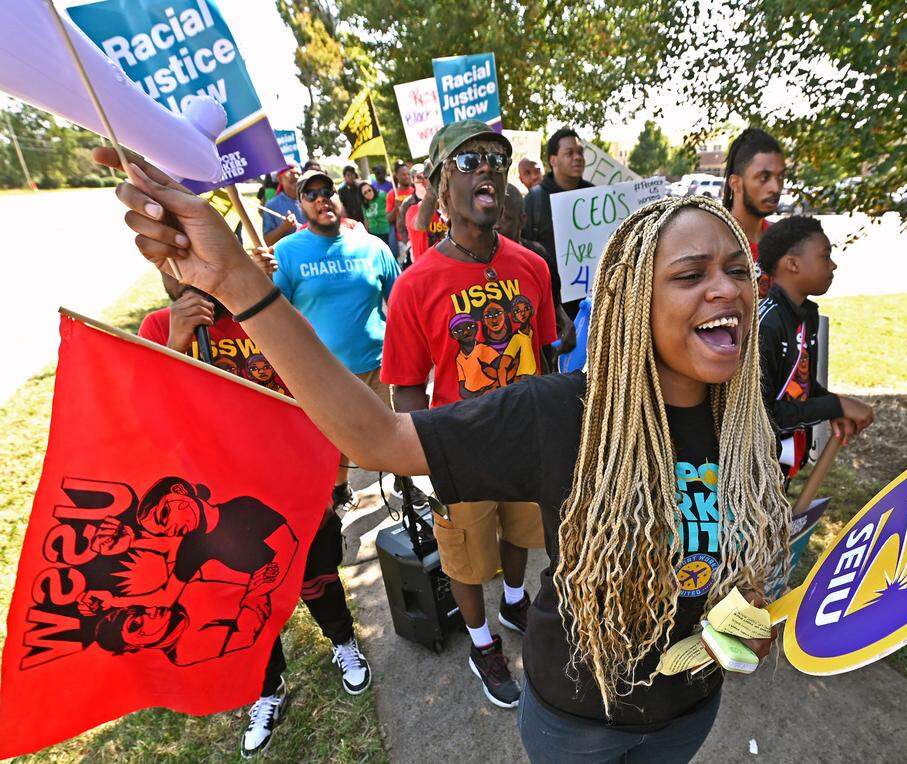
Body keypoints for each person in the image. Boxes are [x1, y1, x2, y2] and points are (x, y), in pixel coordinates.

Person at [102, 140, 786, 761]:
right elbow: (378, 437)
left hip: (688, 712)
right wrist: (237, 284)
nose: (725, 288)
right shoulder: (561, 411)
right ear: (636, 298)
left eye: (735, 270)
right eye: (691, 274)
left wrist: (741, 612)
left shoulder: (745, 421)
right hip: (582, 723)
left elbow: (726, 544)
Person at [136, 278, 372, 758]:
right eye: (170, 266)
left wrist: (332, 476)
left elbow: (319, 392)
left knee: (317, 578)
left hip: (295, 488)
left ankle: (343, 642)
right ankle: (267, 688)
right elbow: (147, 420)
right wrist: (175, 342)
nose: (183, 278)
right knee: (245, 603)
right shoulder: (159, 327)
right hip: (221, 507)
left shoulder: (265, 312)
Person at [380, 121, 557, 708]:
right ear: (438, 187)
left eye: (496, 159)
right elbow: (406, 388)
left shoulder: (531, 267)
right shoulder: (415, 285)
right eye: (469, 160)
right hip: (461, 449)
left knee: (522, 536)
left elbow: (549, 353)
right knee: (464, 553)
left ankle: (513, 601)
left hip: (528, 441)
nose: (488, 166)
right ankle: (482, 642)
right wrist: (425, 466)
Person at [268, 167, 402, 512]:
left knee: (395, 433)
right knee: (334, 444)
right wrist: (260, 277)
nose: (320, 198)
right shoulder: (286, 252)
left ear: (338, 196)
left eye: (326, 190)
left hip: (379, 365)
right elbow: (274, 312)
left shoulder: (371, 246)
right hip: (324, 375)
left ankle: (403, 481)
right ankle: (339, 489)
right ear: (300, 206)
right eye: (310, 194)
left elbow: (400, 302)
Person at [756, 216, 874, 477]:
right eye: (824, 256)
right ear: (792, 264)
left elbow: (800, 385)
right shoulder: (767, 326)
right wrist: (835, 405)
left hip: (782, 461)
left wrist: (831, 403)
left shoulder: (804, 315)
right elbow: (763, 414)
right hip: (754, 467)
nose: (833, 265)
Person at [499, 183, 575, 364]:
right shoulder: (482, 264)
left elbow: (555, 305)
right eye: (493, 216)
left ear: (522, 220)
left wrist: (566, 326)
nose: (497, 225)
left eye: (505, 218)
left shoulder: (538, 256)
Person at [523, 127, 594, 317]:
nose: (578, 157)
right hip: (552, 311)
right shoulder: (534, 201)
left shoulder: (596, 196)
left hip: (593, 306)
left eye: (580, 152)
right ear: (553, 160)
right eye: (569, 153)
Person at [722, 128, 786, 290]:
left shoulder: (783, 241)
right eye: (764, 178)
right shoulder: (713, 240)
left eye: (780, 177)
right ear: (735, 184)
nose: (776, 187)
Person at [406, 162, 448, 262]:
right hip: (426, 268)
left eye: (427, 177)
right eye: (419, 177)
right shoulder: (412, 209)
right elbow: (421, 224)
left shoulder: (449, 207)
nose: (424, 181)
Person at [263, 165, 305, 246]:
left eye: (298, 174)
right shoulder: (272, 206)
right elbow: (268, 242)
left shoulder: (312, 199)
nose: (296, 176)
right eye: (291, 173)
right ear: (280, 179)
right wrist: (284, 228)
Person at [386, 161, 414, 260]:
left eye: (408, 174)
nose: (406, 177)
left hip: (416, 235)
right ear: (397, 176)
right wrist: (396, 208)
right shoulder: (392, 194)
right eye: (403, 174)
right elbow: (389, 219)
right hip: (402, 240)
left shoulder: (415, 191)